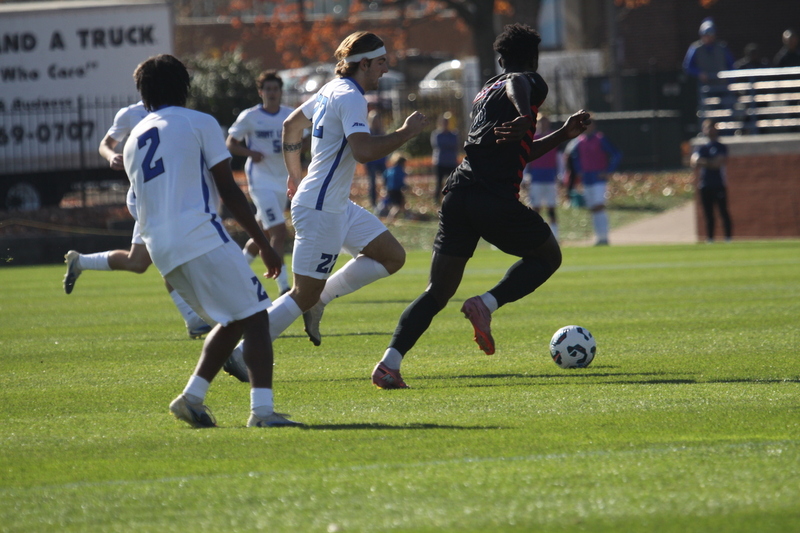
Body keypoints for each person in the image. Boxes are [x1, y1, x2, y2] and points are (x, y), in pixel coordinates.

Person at [371, 23, 591, 389]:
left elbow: (519, 148)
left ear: (500, 58)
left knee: (436, 292)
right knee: (548, 256)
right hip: (493, 197)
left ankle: (388, 364)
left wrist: (561, 134)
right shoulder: (527, 81)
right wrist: (525, 115)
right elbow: (518, 82)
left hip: (459, 193)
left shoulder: (485, 92)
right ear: (532, 60)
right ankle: (485, 304)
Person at [123, 54, 300, 428]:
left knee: (233, 318)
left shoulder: (133, 139)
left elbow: (135, 203)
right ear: (184, 87)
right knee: (255, 316)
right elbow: (229, 191)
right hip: (198, 235)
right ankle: (263, 413)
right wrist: (264, 243)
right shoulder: (199, 122)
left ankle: (191, 398)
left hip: (162, 249)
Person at [269, 31, 427, 349]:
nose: (385, 69)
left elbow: (291, 126)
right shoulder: (351, 96)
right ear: (364, 63)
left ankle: (320, 299)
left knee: (392, 257)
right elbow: (364, 151)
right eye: (381, 62)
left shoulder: (331, 88)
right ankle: (243, 349)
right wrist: (405, 133)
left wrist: (294, 176)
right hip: (321, 209)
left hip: (335, 204)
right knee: (301, 293)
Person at [63, 100, 212, 339]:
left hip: (170, 195)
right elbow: (106, 144)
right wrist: (111, 156)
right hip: (146, 197)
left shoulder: (181, 112)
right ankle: (196, 319)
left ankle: (79, 262)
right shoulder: (131, 113)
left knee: (138, 262)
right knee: (172, 253)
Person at [226, 70, 294, 296]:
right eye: (268, 89)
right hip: (260, 180)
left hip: (281, 179)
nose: (272, 93)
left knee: (262, 232)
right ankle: (284, 286)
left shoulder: (290, 115)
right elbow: (231, 143)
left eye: (276, 89)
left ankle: (237, 273)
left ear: (280, 91)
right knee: (279, 231)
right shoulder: (251, 116)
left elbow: (304, 139)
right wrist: (250, 152)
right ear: (260, 92)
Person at [565, 121, 621, 246]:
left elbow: (616, 154)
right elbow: (574, 158)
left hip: (598, 179)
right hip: (587, 179)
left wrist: (608, 171)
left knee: (599, 206)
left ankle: (604, 236)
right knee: (592, 208)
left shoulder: (600, 139)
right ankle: (598, 237)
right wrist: (579, 171)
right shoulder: (579, 141)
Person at [691, 119, 732, 243]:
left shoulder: (720, 146)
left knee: (723, 212)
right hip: (704, 184)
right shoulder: (701, 147)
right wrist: (708, 162)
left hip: (718, 183)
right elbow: (694, 162)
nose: (709, 130)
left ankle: (728, 238)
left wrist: (704, 162)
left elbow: (717, 164)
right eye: (706, 128)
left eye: (711, 127)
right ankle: (710, 239)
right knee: (708, 214)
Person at [522, 114, 559, 241]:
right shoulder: (532, 139)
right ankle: (535, 235)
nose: (543, 125)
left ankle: (555, 235)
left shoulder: (554, 137)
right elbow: (526, 160)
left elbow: (559, 158)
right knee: (535, 208)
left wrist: (561, 175)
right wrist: (525, 177)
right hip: (536, 179)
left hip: (550, 178)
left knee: (551, 207)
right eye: (541, 122)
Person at [683, 18, 735, 84]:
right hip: (705, 85)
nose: (708, 37)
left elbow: (731, 65)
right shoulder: (695, 48)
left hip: (722, 85)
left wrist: (729, 79)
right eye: (706, 35)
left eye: (711, 35)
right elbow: (687, 66)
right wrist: (699, 73)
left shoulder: (722, 47)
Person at [430, 112, 459, 204]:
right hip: (440, 162)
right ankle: (436, 199)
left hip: (451, 162)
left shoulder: (454, 134)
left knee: (452, 182)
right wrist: (448, 145)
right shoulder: (436, 134)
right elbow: (438, 145)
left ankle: (452, 198)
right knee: (439, 182)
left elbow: (455, 144)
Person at [364, 109, 388, 210]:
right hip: (371, 162)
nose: (376, 122)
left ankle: (387, 201)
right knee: (372, 183)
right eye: (374, 120)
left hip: (381, 161)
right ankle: (373, 202)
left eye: (377, 120)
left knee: (387, 181)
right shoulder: (368, 133)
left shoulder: (382, 132)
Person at [383, 153, 408, 222]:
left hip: (389, 189)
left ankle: (405, 215)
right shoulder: (400, 170)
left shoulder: (390, 169)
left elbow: (385, 177)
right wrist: (405, 186)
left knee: (401, 203)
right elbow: (400, 181)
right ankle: (390, 219)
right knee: (397, 206)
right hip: (396, 190)